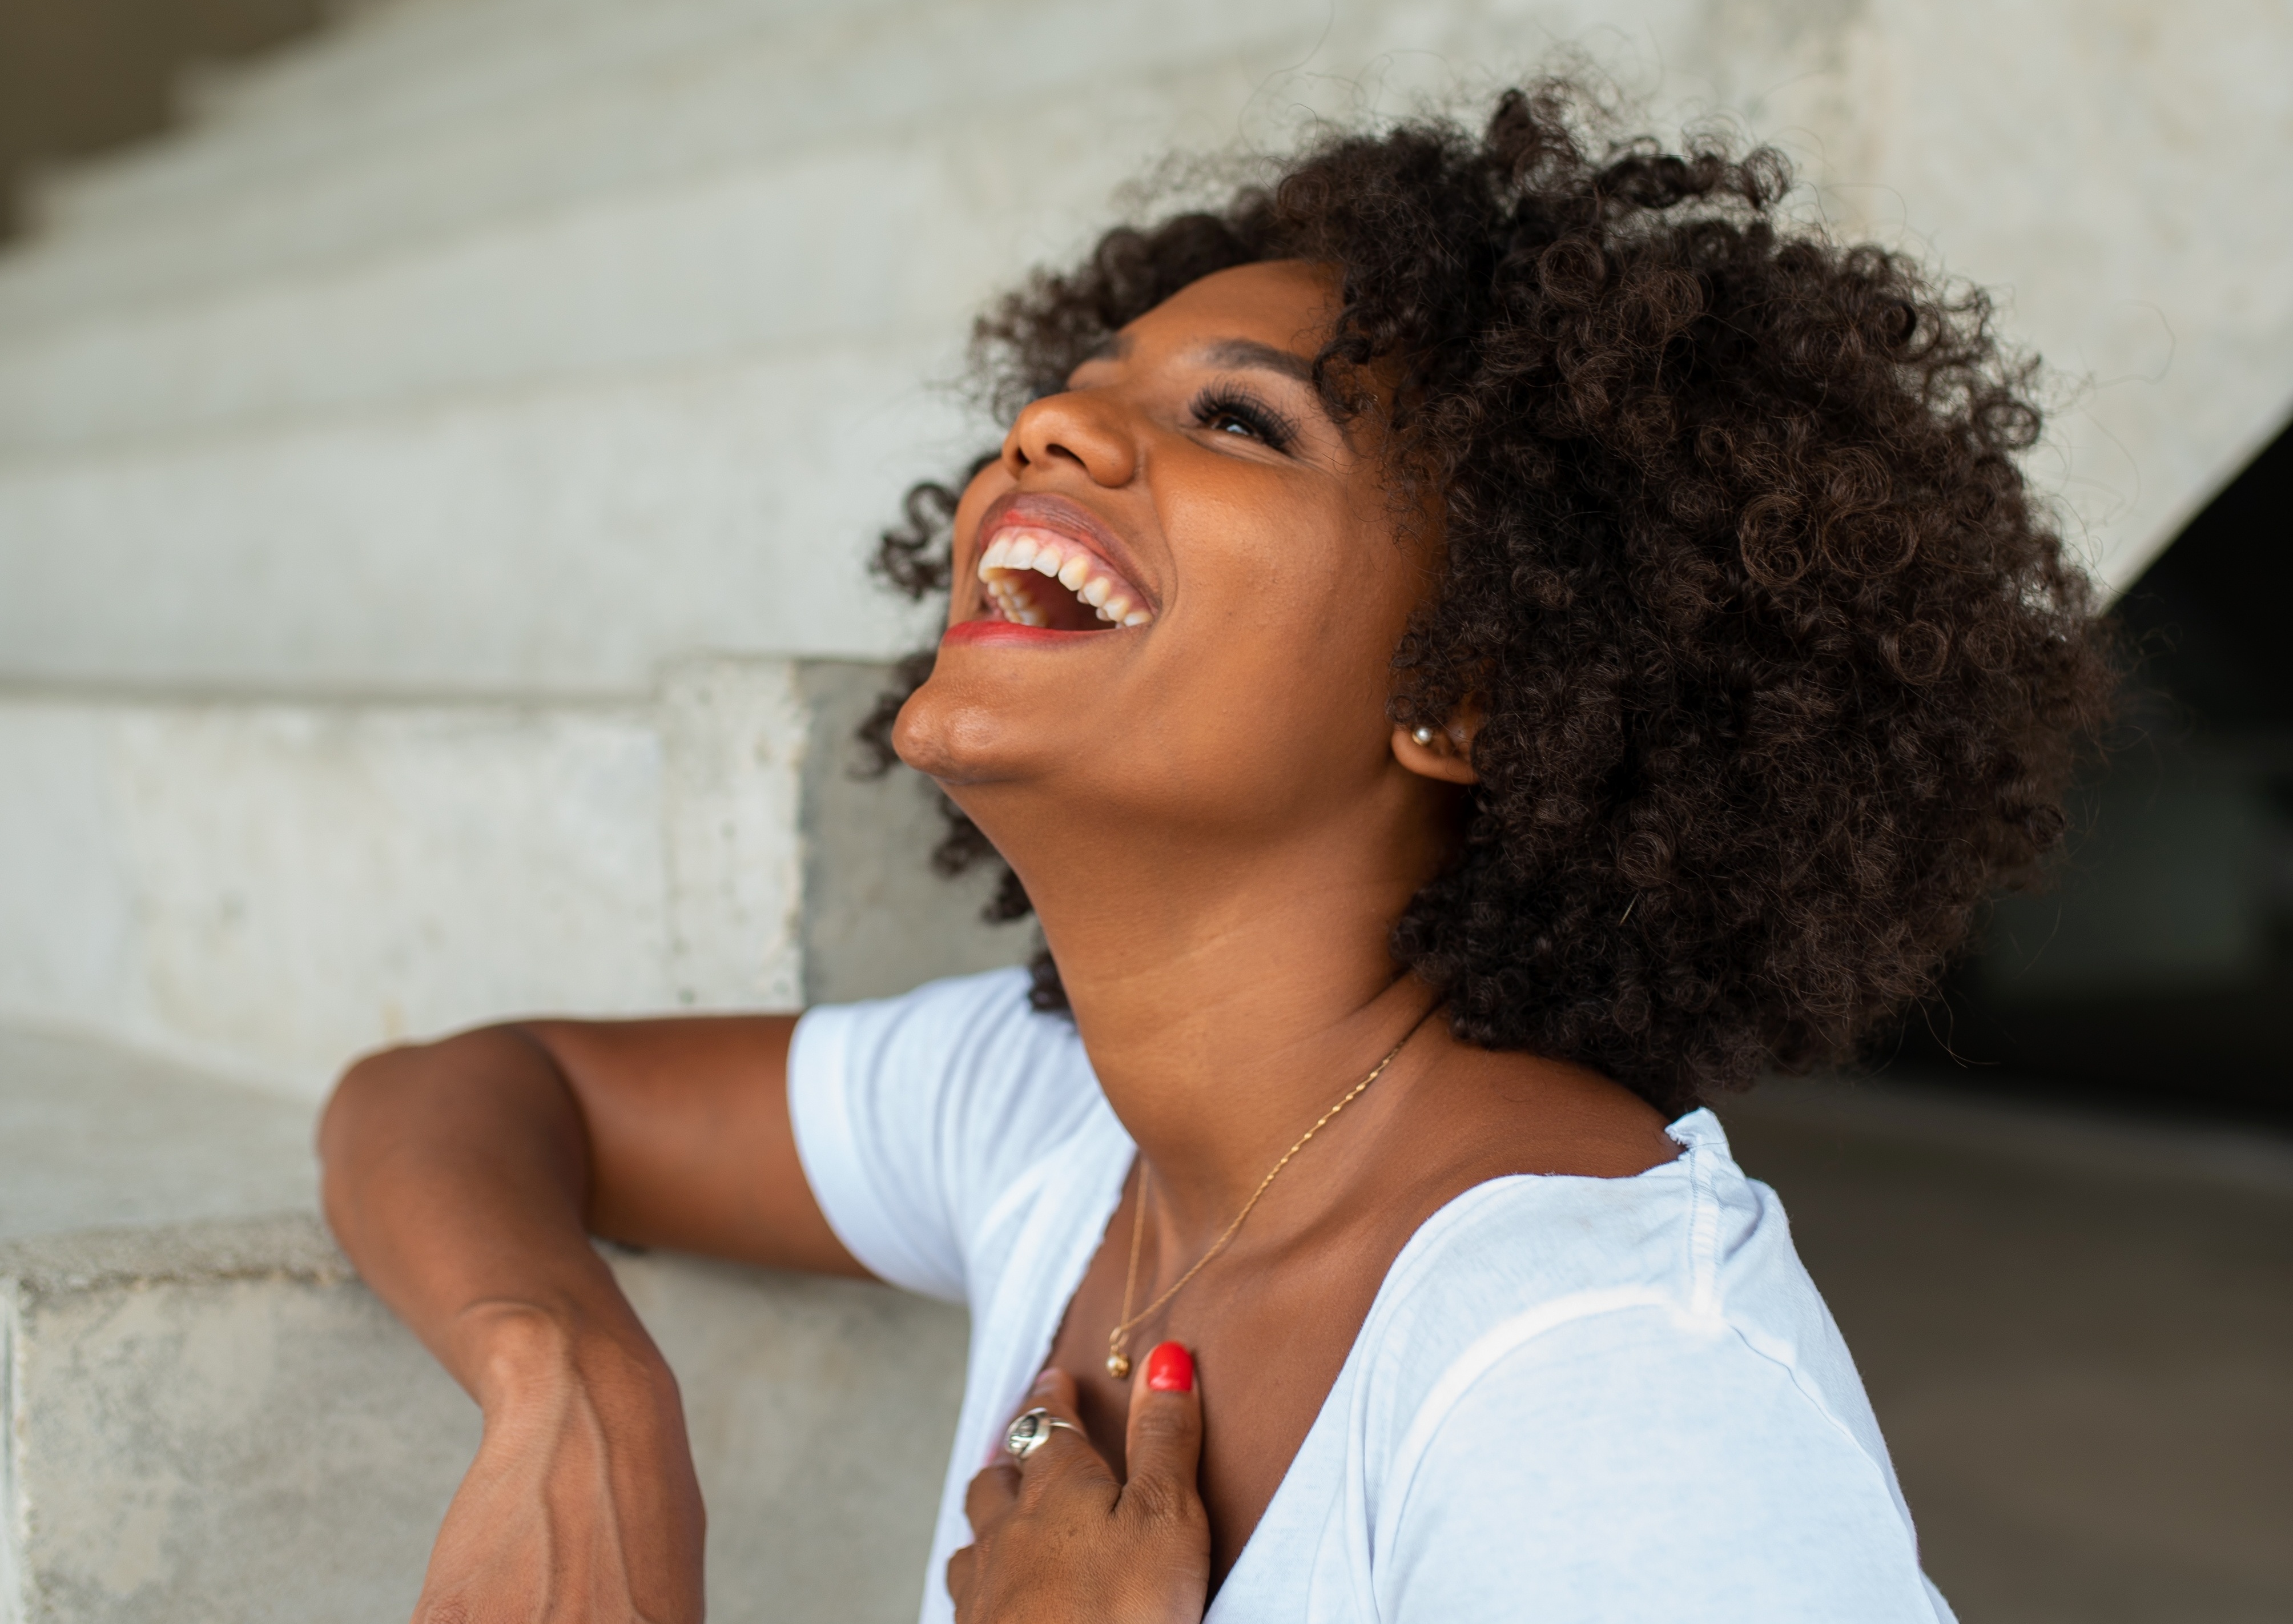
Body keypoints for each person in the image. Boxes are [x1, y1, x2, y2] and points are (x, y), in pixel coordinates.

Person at [320, 82, 2115, 1623]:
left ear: (1466, 691)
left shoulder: (1610, 1371)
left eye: (1239, 421)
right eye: (1082, 388)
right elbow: (466, 1091)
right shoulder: (1052, 1118)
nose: (1047, 429)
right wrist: (566, 1369)